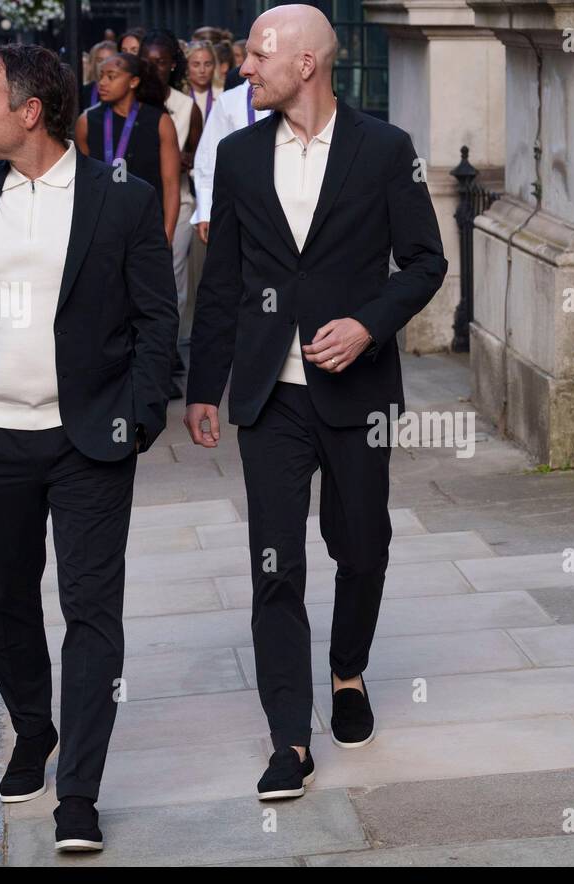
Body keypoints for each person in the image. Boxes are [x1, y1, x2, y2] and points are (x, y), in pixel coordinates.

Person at [184, 4, 446, 801]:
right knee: (275, 564)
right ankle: (289, 739)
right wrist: (204, 386)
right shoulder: (234, 154)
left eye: (259, 55)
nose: (244, 68)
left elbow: (426, 262)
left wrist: (369, 325)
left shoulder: (385, 150)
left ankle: (347, 671)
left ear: (307, 64)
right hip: (270, 396)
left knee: (361, 547)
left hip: (357, 391)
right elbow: (222, 282)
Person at [0, 43, 177, 851]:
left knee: (92, 612)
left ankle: (79, 796)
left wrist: (137, 418)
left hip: (87, 443)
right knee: (5, 598)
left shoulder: (120, 201)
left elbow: (156, 320)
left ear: (29, 113)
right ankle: (34, 728)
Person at [142, 31, 203, 394]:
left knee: (172, 285)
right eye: (148, 62)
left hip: (177, 204)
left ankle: (165, 355)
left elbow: (200, 154)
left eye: (161, 62)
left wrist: (185, 160)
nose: (154, 68)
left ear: (172, 65)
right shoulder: (131, 103)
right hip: (139, 206)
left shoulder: (185, 107)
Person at [75, 52, 180, 248]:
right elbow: (83, 184)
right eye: (101, 76)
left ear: (133, 81)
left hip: (147, 223)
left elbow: (171, 184)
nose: (102, 83)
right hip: (102, 225)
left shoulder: (159, 121)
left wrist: (167, 236)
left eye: (111, 76)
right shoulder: (87, 122)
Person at [189, 78, 271, 245]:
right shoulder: (230, 100)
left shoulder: (296, 98)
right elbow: (210, 156)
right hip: (241, 205)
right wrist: (205, 210)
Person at [185, 41, 219, 123]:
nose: (202, 70)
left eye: (207, 64)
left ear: (214, 65)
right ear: (186, 66)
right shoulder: (180, 95)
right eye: (196, 65)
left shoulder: (223, 94)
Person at [80, 40, 117, 112]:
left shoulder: (123, 92)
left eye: (109, 60)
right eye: (100, 60)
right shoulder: (83, 92)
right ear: (94, 63)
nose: (104, 64)